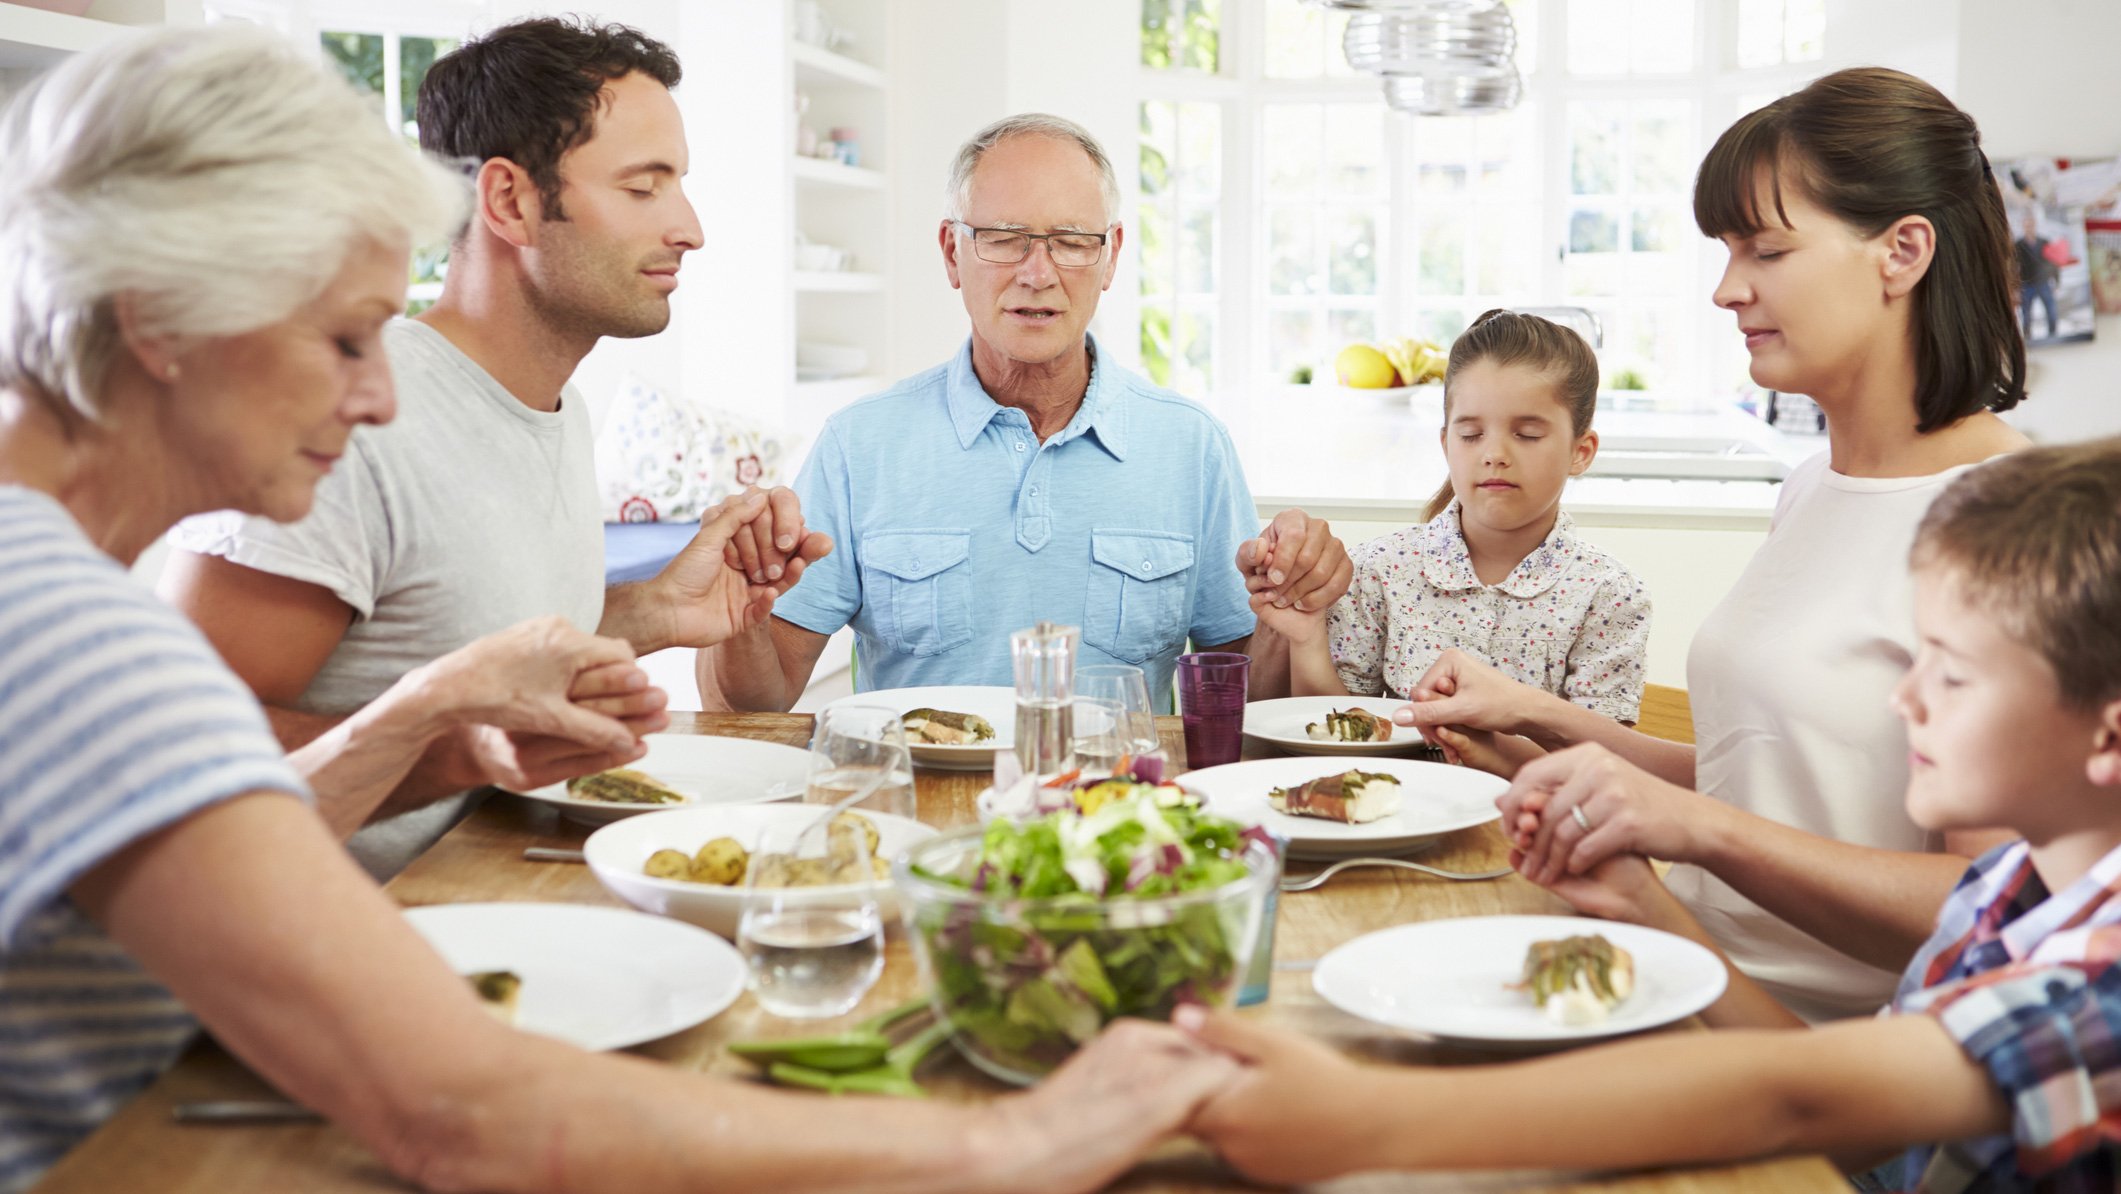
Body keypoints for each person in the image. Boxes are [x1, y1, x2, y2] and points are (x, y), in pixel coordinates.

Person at [0, 25, 1232, 1194]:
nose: (381, 395)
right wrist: (1013, 1145)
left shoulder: (47, 597)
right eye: (343, 337)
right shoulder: (63, 635)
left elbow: (207, 808)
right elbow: (466, 1113)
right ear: (158, 322)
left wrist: (457, 717)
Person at [1183, 438, 2121, 1190]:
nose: (1901, 698)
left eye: (1950, 673)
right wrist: (1650, 906)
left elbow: (1804, 1104)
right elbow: (1853, 1098)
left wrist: (1362, 1122)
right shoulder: (2008, 888)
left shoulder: (2099, 983)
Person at [1396, 67, 2031, 1022]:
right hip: (1675, 981)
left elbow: (1995, 913)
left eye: (1764, 249)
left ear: (1901, 252)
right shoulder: (1814, 488)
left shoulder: (2009, 527)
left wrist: (1692, 832)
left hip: (1831, 1074)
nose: (1727, 290)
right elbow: (1781, 787)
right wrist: (1542, 726)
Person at [155, 16, 828, 877]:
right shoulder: (349, 420)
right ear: (510, 201)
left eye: (678, 185)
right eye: (642, 188)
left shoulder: (558, 406)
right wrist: (454, 748)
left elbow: (463, 647)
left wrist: (656, 611)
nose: (689, 227)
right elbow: (179, 743)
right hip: (350, 944)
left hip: (502, 898)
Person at [697, 113, 1350, 714]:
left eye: (1070, 241)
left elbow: (1243, 702)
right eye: (1004, 239)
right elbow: (756, 704)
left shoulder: (1190, 447)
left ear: (1111, 256)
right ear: (952, 253)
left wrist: (1287, 613)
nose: (1037, 273)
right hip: (916, 824)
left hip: (1118, 820)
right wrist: (738, 610)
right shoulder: (859, 444)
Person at [1252, 309, 1649, 765]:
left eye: (1527, 434)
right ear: (1446, 444)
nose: (1495, 454)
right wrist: (1306, 640)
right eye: (1471, 434)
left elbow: (1608, 769)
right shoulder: (1380, 569)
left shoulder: (1612, 596)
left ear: (1581, 452)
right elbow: (1340, 733)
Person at [2014, 209, 2061, 340]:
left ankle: (2053, 334)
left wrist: (2057, 281)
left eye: (2031, 225)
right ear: (2023, 226)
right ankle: (2028, 337)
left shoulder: (2044, 242)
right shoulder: (2018, 245)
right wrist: (2015, 288)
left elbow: (2053, 262)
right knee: (2026, 315)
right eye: (2026, 225)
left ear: (2035, 225)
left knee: (2051, 311)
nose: (2029, 228)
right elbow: (2013, 268)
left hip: (2043, 282)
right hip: (2027, 284)